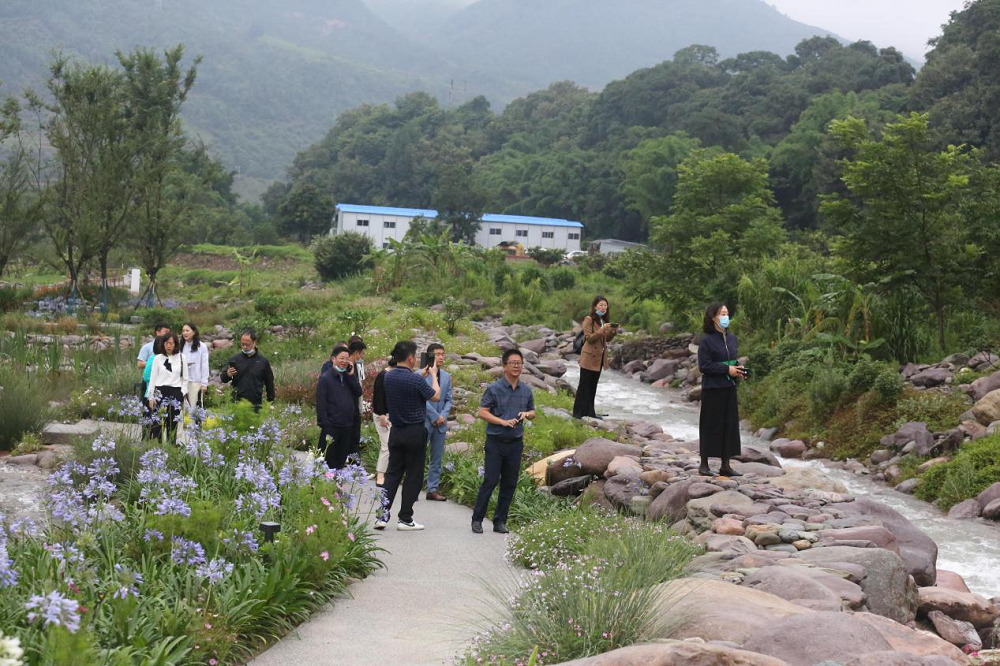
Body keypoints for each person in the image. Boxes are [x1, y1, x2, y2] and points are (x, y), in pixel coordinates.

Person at [378, 340, 440, 531]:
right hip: (414, 431)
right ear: (411, 358)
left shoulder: (388, 376)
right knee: (413, 475)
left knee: (392, 474)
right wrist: (433, 375)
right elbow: (435, 395)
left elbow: (407, 382)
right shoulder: (415, 380)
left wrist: (420, 375)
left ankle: (382, 516)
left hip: (396, 431)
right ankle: (405, 518)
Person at [472, 348, 535, 534]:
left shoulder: (526, 390)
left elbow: (533, 411)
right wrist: (503, 422)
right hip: (495, 442)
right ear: (504, 366)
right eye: (513, 363)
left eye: (519, 363)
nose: (517, 366)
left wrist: (527, 414)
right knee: (490, 480)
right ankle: (477, 519)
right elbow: (482, 412)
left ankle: (500, 521)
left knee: (510, 483)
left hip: (516, 443)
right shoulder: (494, 388)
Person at [697, 303, 746, 477]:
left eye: (727, 313)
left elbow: (732, 359)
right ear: (713, 317)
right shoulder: (706, 341)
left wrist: (737, 369)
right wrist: (726, 369)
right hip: (712, 388)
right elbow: (704, 366)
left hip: (729, 387)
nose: (726, 317)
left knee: (729, 425)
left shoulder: (732, 339)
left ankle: (726, 465)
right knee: (710, 425)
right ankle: (704, 465)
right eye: (722, 314)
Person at [315, 345, 363, 470]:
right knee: (328, 461)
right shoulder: (326, 378)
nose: (344, 361)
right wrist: (325, 424)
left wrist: (351, 375)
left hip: (347, 425)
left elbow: (358, 392)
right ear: (333, 359)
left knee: (341, 460)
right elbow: (321, 403)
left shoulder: (348, 376)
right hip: (332, 425)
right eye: (341, 358)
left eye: (347, 359)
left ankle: (338, 480)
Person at [573, 296, 617, 419]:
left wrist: (613, 331)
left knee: (593, 386)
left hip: (599, 358)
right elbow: (590, 338)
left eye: (605, 305)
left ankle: (590, 412)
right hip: (588, 357)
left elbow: (606, 339)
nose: (603, 307)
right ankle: (577, 413)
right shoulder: (589, 319)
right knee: (583, 386)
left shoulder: (603, 321)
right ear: (595, 306)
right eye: (601, 305)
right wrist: (602, 330)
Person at [422, 343, 452, 502]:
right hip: (425, 421)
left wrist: (443, 416)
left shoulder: (446, 376)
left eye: (443, 354)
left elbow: (449, 399)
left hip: (441, 423)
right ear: (430, 355)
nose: (441, 357)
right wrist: (434, 416)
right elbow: (421, 399)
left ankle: (432, 489)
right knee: (418, 456)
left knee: (437, 458)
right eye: (438, 354)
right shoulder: (421, 374)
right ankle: (413, 487)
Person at [146, 332, 188, 443]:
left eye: (171, 343)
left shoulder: (182, 358)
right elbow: (153, 379)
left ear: (175, 344)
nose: (168, 346)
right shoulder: (157, 358)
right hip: (160, 392)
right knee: (157, 424)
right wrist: (151, 397)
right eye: (166, 343)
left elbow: (185, 379)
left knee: (172, 424)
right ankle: (157, 447)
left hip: (175, 392)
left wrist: (182, 393)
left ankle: (171, 447)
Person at [221, 329, 275, 410]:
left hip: (256, 404)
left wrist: (270, 401)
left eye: (247, 344)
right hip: (237, 403)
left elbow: (269, 382)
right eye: (242, 344)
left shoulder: (263, 361)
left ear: (254, 343)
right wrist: (228, 374)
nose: (245, 347)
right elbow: (223, 378)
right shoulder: (235, 359)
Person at [137, 322, 170, 437]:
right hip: (149, 387)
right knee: (148, 413)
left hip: (161, 388)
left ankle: (156, 439)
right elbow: (140, 365)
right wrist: (156, 368)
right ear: (157, 332)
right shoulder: (148, 349)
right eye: (165, 332)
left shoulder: (167, 351)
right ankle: (146, 437)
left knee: (158, 416)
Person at [371, 358, 396, 487]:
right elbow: (378, 397)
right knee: (386, 445)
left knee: (391, 445)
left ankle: (386, 473)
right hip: (383, 415)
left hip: (392, 415)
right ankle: (380, 474)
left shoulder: (393, 375)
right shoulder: (384, 376)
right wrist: (381, 415)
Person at [180, 323, 209, 424]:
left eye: (187, 330)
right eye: (183, 331)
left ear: (194, 332)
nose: (185, 333)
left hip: (195, 381)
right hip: (181, 380)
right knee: (180, 408)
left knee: (195, 408)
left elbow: (204, 365)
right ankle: (178, 432)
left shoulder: (201, 346)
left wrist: (204, 383)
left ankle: (195, 430)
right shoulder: (180, 345)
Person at [347, 337, 367, 459]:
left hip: (354, 407)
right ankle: (353, 463)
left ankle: (354, 462)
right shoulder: (348, 367)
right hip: (349, 409)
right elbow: (357, 390)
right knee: (352, 438)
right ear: (356, 353)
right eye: (362, 353)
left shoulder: (356, 366)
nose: (362, 357)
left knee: (354, 437)